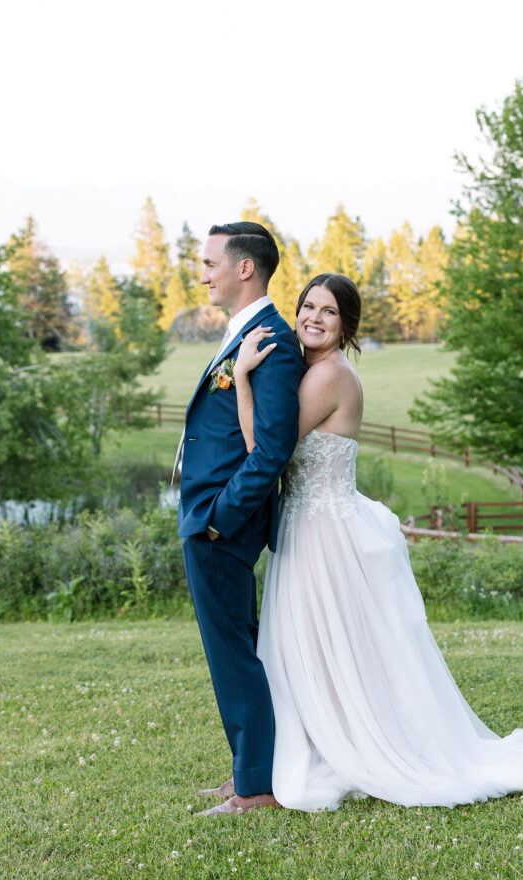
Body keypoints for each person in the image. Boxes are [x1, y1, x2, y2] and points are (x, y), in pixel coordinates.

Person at [233, 272, 523, 811]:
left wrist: (241, 378)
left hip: (323, 534)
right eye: (307, 306)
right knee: (315, 645)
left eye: (328, 311)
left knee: (326, 644)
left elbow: (267, 449)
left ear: (346, 324)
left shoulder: (328, 376)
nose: (313, 317)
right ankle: (314, 742)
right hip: (311, 525)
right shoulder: (313, 369)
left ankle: (344, 744)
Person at [176, 221, 306, 817]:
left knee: (234, 654)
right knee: (235, 649)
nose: (202, 272)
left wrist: (219, 520)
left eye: (209, 262)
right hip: (208, 515)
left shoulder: (272, 340)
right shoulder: (245, 333)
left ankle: (257, 790)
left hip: (220, 522)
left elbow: (272, 449)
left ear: (244, 267)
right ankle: (249, 772)